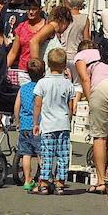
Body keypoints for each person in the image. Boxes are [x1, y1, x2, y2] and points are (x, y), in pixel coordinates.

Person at [73, 39, 108, 194]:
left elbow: (85, 79)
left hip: (102, 88)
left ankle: (101, 181)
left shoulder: (81, 56)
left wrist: (90, 100)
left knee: (99, 137)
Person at [32, 48, 74, 195]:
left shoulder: (42, 83)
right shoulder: (68, 84)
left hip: (48, 125)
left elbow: (38, 104)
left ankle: (44, 183)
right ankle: (60, 183)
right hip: (63, 124)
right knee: (63, 155)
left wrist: (36, 122)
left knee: (47, 154)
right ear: (64, 66)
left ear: (48, 65)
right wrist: (69, 118)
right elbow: (71, 106)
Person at [14, 58, 43, 192]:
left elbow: (16, 106)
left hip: (25, 124)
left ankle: (27, 180)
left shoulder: (23, 88)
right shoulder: (41, 88)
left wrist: (17, 121)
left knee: (25, 154)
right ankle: (43, 178)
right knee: (40, 153)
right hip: (38, 125)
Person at [6, 0, 46, 77]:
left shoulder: (47, 26)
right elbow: (13, 52)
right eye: (28, 9)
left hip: (42, 72)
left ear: (40, 9)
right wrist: (4, 68)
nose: (31, 12)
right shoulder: (21, 27)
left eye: (34, 9)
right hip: (23, 71)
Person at [28, 4, 72, 68]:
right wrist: (36, 65)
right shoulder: (50, 28)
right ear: (64, 21)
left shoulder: (53, 32)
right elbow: (33, 41)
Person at [61, 0, 91, 69]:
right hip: (77, 55)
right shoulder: (84, 18)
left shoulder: (63, 17)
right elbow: (86, 40)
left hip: (62, 54)